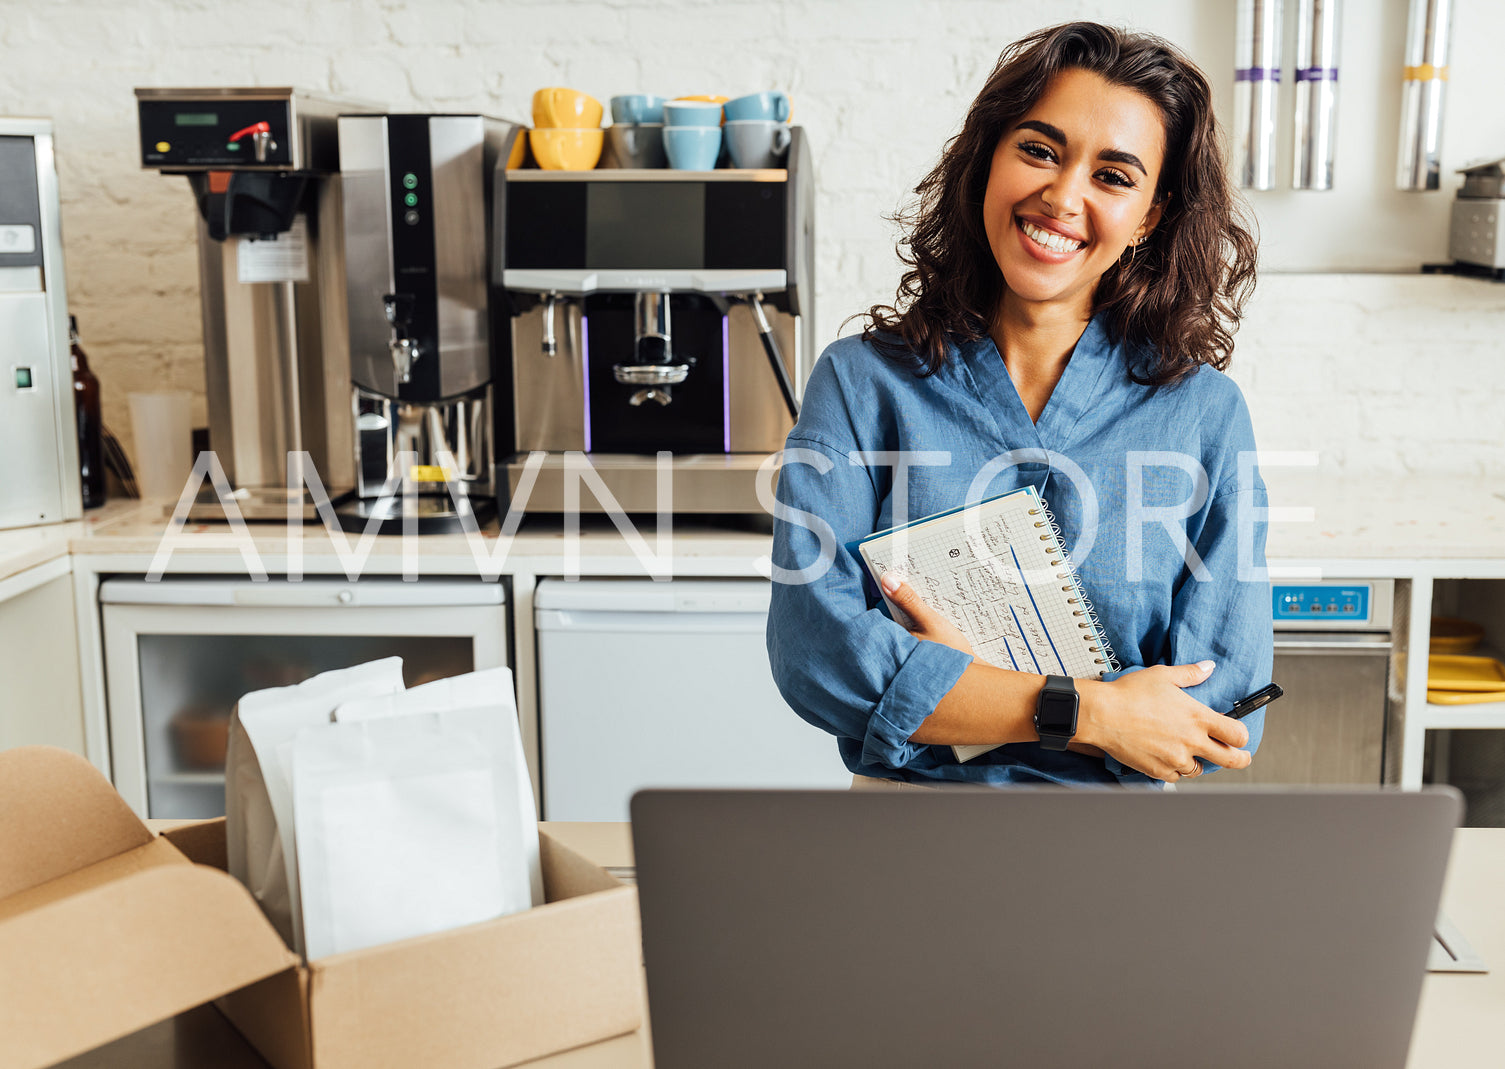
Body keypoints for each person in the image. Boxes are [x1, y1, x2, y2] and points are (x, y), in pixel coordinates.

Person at [766, 21, 1273, 788]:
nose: (1061, 196)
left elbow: (1221, 711)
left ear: (1149, 218)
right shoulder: (860, 385)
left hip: (1114, 851)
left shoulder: (1203, 415)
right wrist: (1092, 713)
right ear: (987, 162)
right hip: (904, 836)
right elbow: (816, 654)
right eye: (1038, 150)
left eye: (1113, 175)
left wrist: (950, 689)